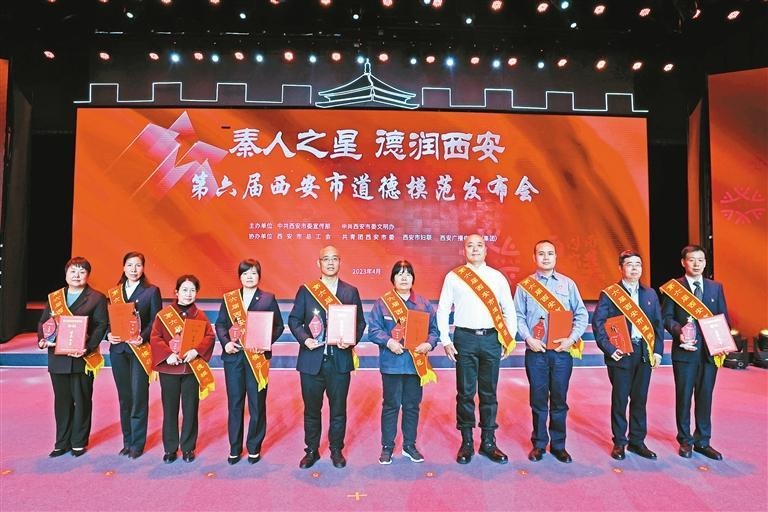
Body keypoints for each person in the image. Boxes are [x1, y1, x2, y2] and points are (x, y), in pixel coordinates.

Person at [436, 234, 517, 465]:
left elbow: (508, 309)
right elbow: (443, 309)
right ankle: (467, 442)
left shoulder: (497, 277)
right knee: (465, 392)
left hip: (491, 338)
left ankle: (488, 442)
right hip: (465, 339)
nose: (474, 249)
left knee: (489, 393)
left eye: (479, 245)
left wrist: (509, 338)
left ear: (485, 250)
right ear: (464, 250)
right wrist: (445, 340)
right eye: (470, 246)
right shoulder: (454, 276)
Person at [288, 246, 366, 469]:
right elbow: (294, 320)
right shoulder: (307, 291)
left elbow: (360, 323)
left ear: (340, 262)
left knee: (338, 410)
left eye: (334, 259)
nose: (330, 263)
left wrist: (351, 340)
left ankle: (336, 450)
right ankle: (311, 450)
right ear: (319, 263)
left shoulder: (350, 291)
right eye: (326, 259)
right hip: (311, 361)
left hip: (339, 361)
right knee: (311, 410)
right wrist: (305, 340)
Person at [513, 240, 588, 464]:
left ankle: (558, 445)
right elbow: (518, 316)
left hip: (562, 352)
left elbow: (581, 314)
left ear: (556, 257)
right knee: (538, 400)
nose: (546, 257)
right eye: (541, 254)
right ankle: (538, 444)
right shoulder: (525, 286)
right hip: (536, 352)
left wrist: (571, 339)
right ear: (534, 258)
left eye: (550, 253)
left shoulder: (568, 284)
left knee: (559, 400)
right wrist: (528, 339)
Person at [592, 250, 663, 461]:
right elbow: (598, 324)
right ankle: (620, 442)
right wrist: (609, 349)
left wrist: (657, 352)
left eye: (638, 264)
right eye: (630, 264)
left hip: (643, 353)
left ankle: (637, 441)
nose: (634, 268)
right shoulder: (610, 293)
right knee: (620, 399)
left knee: (640, 399)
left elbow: (657, 325)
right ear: (621, 268)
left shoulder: (650, 294)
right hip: (621, 353)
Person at [661, 245, 729, 461]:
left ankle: (703, 441)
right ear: (683, 262)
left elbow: (723, 317)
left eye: (701, 260)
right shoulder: (675, 288)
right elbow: (666, 318)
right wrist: (678, 331)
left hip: (709, 353)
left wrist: (723, 341)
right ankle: (685, 440)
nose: (697, 264)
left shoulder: (715, 287)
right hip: (684, 352)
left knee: (705, 396)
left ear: (705, 262)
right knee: (684, 396)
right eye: (692, 260)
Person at [367, 260, 439, 465]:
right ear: (393, 279)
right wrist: (388, 342)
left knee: (412, 406)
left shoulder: (424, 304)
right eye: (400, 274)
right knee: (391, 405)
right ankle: (387, 446)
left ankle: (409, 445)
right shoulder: (382, 303)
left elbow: (434, 331)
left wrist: (429, 344)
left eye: (408, 274)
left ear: (413, 278)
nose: (404, 277)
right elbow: (374, 330)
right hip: (392, 364)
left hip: (415, 365)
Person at [215, 259, 284, 465]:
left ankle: (254, 447)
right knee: (235, 403)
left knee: (257, 404)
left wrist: (265, 342)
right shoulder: (229, 299)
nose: (249, 277)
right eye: (245, 273)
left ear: (259, 276)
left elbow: (278, 326)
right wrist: (226, 343)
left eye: (253, 273)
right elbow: (220, 324)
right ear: (240, 276)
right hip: (234, 358)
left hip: (257, 359)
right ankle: (234, 448)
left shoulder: (268, 299)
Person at [37, 257, 108, 458]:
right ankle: (61, 442)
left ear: (88, 275)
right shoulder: (55, 298)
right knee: (62, 402)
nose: (77, 275)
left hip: (82, 357)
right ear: (66, 273)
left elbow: (101, 325)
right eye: (73, 271)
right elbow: (43, 323)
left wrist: (87, 347)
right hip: (58, 357)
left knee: (82, 400)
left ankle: (78, 441)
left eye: (81, 271)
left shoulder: (96, 298)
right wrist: (43, 340)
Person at [149, 275, 215, 464]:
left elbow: (209, 337)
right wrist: (167, 354)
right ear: (176, 292)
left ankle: (188, 448)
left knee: (190, 409)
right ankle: (170, 449)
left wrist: (196, 351)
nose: (188, 294)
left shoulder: (200, 315)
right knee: (170, 410)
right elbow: (155, 337)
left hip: (190, 370)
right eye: (184, 290)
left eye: (192, 290)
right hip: (169, 370)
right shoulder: (164, 315)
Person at [105, 252, 162, 459]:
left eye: (138, 265)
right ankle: (127, 441)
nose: (134, 269)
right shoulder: (114, 292)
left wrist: (143, 337)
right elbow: (107, 321)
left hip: (139, 350)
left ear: (143, 268)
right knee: (125, 398)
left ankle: (137, 443)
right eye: (130, 265)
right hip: (119, 350)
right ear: (123, 267)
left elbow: (155, 320)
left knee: (139, 397)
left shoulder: (151, 291)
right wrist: (108, 334)